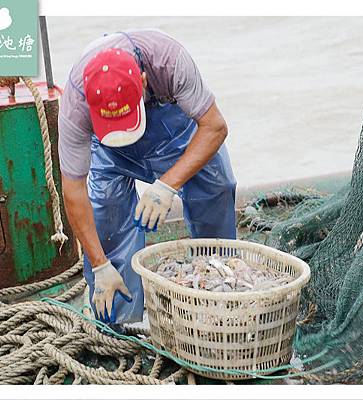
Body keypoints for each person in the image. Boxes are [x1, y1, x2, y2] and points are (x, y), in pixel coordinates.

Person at [58, 29, 237, 325]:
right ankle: (121, 326)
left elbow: (214, 126)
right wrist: (100, 265)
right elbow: (73, 189)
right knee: (107, 223)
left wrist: (167, 185)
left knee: (217, 187)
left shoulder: (170, 62)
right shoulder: (75, 105)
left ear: (142, 81)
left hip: (175, 137)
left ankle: (219, 297)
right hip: (108, 153)